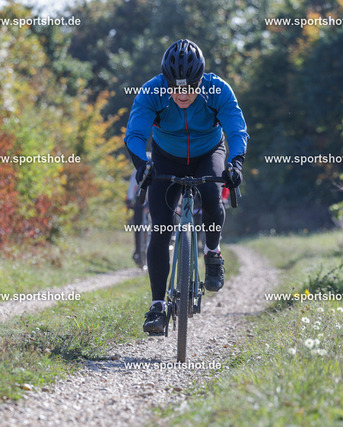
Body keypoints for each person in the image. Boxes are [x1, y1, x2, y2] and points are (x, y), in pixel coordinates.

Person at [124, 39, 248, 335]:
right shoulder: (151, 91)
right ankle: (157, 305)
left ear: (201, 80)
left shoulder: (218, 90)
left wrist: (236, 163)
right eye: (175, 87)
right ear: (165, 81)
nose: (182, 94)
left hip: (208, 153)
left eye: (190, 87)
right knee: (161, 227)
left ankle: (213, 252)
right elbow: (135, 134)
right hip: (166, 157)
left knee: (212, 198)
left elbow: (236, 130)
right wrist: (142, 165)